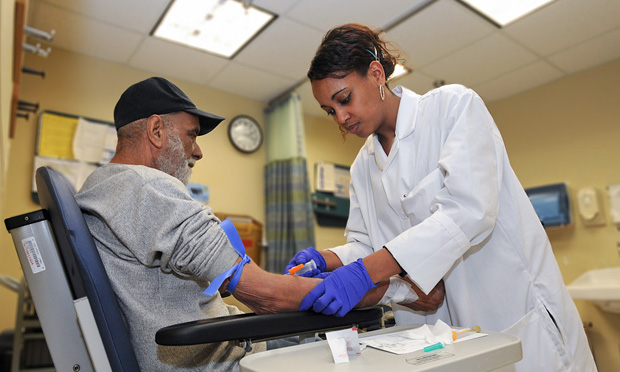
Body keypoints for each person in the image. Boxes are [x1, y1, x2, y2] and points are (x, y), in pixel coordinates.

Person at [75, 77, 443, 371]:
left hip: (207, 345)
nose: (198, 150)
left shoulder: (100, 187)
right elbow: (266, 297)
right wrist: (401, 293)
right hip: (223, 358)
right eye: (191, 134)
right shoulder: (149, 188)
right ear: (156, 131)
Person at [286, 24, 597, 371]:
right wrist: (326, 259)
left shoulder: (452, 108)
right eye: (330, 111)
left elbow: (470, 211)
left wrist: (363, 273)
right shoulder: (362, 167)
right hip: (435, 333)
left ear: (376, 74)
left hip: (508, 311)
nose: (341, 118)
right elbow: (367, 246)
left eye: (344, 99)